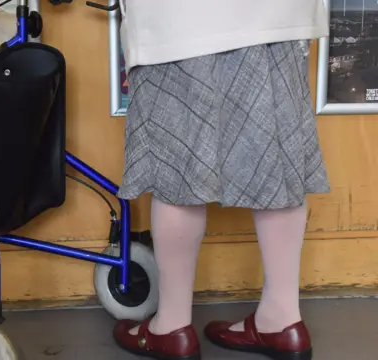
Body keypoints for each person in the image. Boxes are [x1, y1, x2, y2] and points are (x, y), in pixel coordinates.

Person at [112, 1, 330, 359]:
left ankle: (172, 327)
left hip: (181, 18)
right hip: (279, 12)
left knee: (178, 167)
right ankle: (282, 319)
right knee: (276, 159)